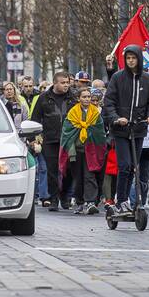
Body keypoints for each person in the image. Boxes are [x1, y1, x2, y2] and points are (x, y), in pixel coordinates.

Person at [103, 45, 149, 213]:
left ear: (138, 59)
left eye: (133, 58)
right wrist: (116, 118)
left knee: (133, 166)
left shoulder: (147, 79)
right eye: (128, 58)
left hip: (138, 129)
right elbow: (109, 102)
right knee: (125, 165)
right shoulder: (118, 78)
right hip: (121, 130)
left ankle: (126, 200)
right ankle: (120, 200)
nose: (130, 61)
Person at [30, 71, 77, 210]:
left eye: (68, 83)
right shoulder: (43, 98)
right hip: (50, 139)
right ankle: (54, 198)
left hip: (69, 140)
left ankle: (65, 195)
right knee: (52, 170)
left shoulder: (73, 98)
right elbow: (35, 118)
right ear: (55, 83)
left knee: (69, 169)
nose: (66, 85)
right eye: (63, 83)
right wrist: (33, 138)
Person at [59, 87, 106, 215]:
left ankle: (91, 202)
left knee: (89, 175)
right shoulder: (72, 113)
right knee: (78, 177)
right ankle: (79, 203)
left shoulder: (95, 113)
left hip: (91, 150)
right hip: (76, 150)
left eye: (88, 97)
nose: (86, 99)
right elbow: (67, 131)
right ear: (78, 98)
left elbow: (99, 132)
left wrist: (89, 131)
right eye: (84, 97)